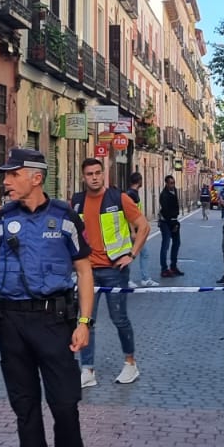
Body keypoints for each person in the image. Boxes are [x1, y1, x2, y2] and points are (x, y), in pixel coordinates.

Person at [0, 147, 98, 447]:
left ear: (36, 177)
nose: (5, 181)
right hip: (11, 325)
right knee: (24, 409)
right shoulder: (1, 219)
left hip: (54, 324)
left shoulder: (64, 218)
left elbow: (85, 271)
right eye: (5, 175)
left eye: (13, 174)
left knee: (64, 407)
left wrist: (85, 323)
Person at [71, 157, 149, 387]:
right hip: (88, 272)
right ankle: (87, 370)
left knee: (119, 318)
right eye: (89, 174)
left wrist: (132, 255)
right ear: (83, 176)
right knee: (86, 320)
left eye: (97, 173)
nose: (94, 177)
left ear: (103, 174)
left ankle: (130, 364)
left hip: (115, 269)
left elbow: (144, 226)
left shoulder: (119, 198)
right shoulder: (76, 202)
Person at [158, 174, 183, 278]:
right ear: (166, 183)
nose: (173, 185)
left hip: (174, 221)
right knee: (166, 245)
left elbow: (175, 207)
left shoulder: (175, 191)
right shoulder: (164, 195)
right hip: (166, 222)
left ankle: (173, 266)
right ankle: (164, 269)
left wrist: (175, 221)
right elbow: (166, 211)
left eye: (173, 183)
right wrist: (173, 223)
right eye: (171, 183)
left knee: (177, 243)